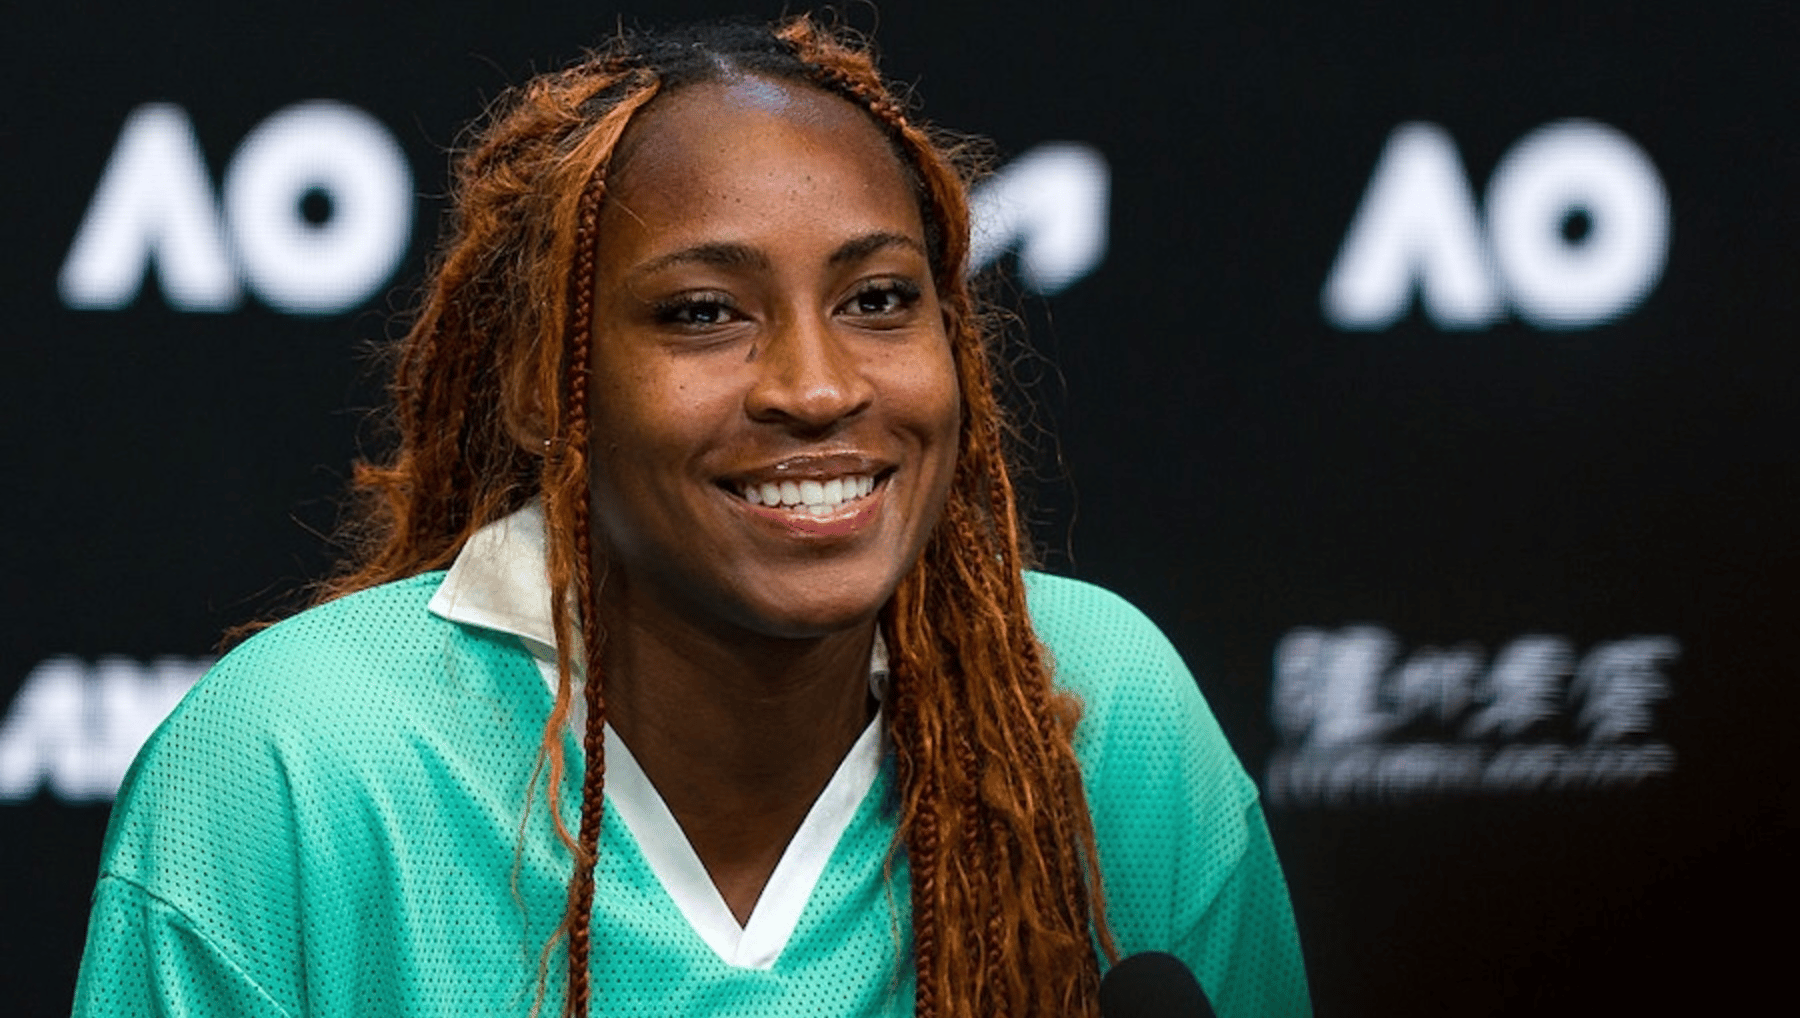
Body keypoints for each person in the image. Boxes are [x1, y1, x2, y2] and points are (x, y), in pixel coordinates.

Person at [72, 15, 1309, 1018]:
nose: (818, 388)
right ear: (537, 385)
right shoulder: (291, 763)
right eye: (705, 313)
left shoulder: (1094, 709)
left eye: (881, 297)